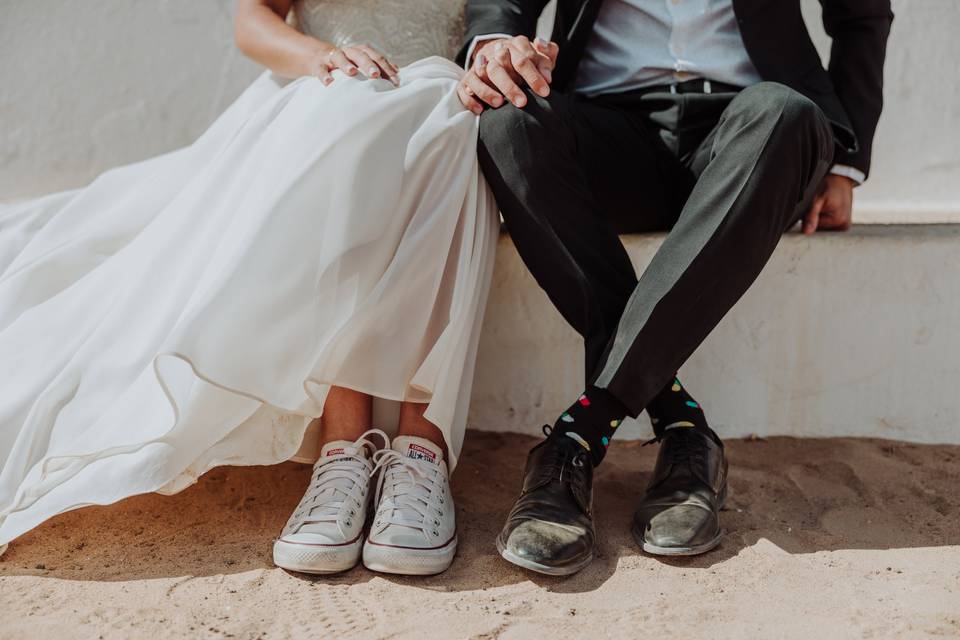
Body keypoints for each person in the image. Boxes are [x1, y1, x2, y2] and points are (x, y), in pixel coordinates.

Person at [0, 0, 511, 576]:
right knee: (355, 108)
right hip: (329, 92)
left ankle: (421, 450)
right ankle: (342, 448)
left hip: (445, 104)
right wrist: (325, 59)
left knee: (454, 109)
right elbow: (252, 21)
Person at [457, 0, 892, 574]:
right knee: (508, 123)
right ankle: (682, 426)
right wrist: (492, 42)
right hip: (606, 121)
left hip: (753, 134)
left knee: (787, 113)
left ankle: (581, 432)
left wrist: (847, 161)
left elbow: (861, 14)